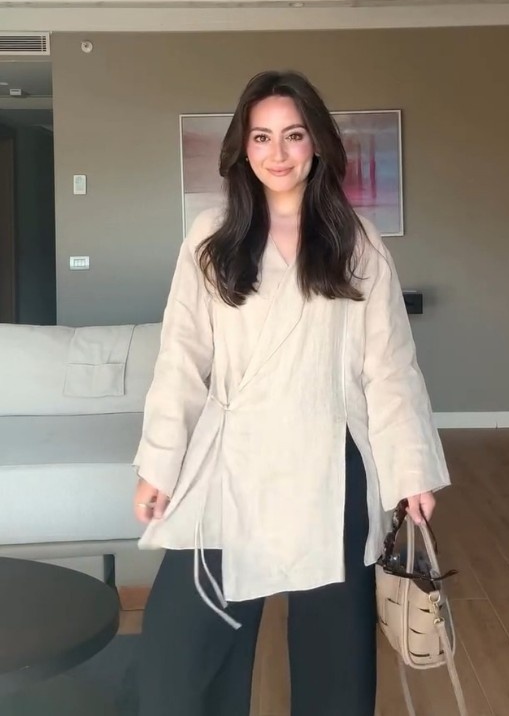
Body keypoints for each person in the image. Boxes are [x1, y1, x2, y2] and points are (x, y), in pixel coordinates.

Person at [133, 70, 450, 716]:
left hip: (330, 467)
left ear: (317, 144)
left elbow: (390, 368)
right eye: (262, 137)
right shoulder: (210, 238)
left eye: (294, 135)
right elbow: (181, 360)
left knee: (336, 663)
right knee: (182, 659)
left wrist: (410, 470)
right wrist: (159, 465)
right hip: (229, 463)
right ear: (243, 148)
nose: (277, 153)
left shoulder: (357, 243)